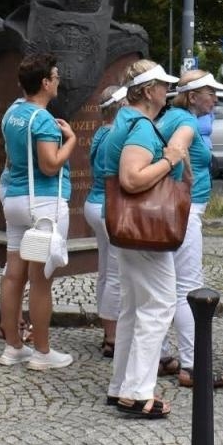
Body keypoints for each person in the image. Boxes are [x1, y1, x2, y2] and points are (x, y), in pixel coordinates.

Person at [102, 59, 184, 418]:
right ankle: (137, 393)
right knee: (159, 306)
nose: (168, 91)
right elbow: (132, 179)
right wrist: (170, 160)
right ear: (149, 91)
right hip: (146, 228)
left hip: (128, 228)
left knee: (134, 309)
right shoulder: (140, 126)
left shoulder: (124, 120)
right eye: (164, 85)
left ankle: (122, 386)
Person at [0, 52, 77, 370]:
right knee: (41, 280)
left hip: (15, 201)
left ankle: (13, 347)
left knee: (13, 275)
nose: (58, 80)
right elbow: (49, 164)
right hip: (43, 205)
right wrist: (70, 140)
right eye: (55, 76)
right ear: (45, 83)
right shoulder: (42, 119)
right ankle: (43, 353)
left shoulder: (13, 112)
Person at [159, 69, 223, 389]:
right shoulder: (184, 122)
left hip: (178, 208)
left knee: (164, 285)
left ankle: (161, 355)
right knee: (189, 288)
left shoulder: (172, 117)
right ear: (192, 95)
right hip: (185, 209)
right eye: (209, 92)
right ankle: (192, 365)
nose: (215, 97)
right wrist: (185, 178)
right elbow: (172, 154)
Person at [87, 86, 124, 358]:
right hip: (107, 206)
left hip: (94, 202)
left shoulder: (101, 131)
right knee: (114, 275)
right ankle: (112, 336)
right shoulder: (116, 135)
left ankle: (107, 329)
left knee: (104, 271)